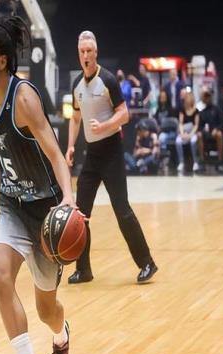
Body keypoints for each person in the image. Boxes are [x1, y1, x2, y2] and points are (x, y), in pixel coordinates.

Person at [0, 16, 75, 354]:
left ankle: (61, 338)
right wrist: (1, 159)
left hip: (45, 213)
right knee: (0, 277)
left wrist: (69, 199)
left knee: (47, 309)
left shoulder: (25, 98)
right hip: (12, 206)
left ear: (2, 61)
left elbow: (55, 154)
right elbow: (6, 140)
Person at [65, 31, 157, 284]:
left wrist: (104, 126)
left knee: (122, 210)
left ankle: (147, 263)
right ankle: (83, 269)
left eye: (89, 51)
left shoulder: (107, 80)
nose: (85, 55)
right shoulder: (77, 85)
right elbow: (75, 118)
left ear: (96, 53)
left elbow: (124, 114)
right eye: (82, 52)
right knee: (80, 214)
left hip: (112, 153)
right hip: (92, 156)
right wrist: (70, 146)